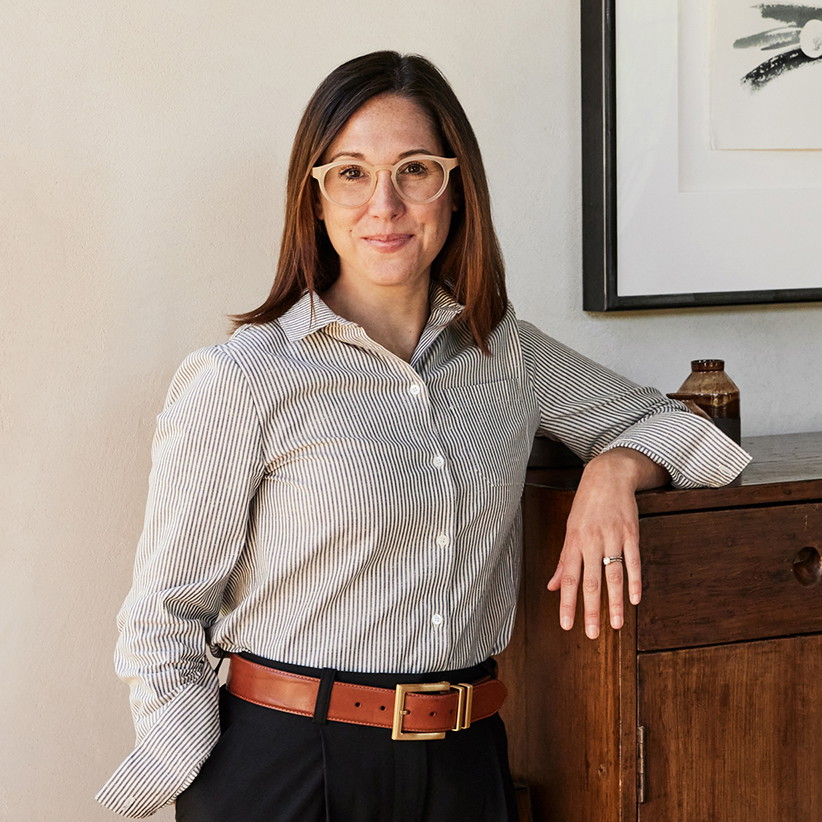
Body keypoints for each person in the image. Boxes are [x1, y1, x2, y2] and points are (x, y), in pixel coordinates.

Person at [96, 51, 750, 821]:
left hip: (465, 764)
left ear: (455, 187)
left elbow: (685, 430)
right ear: (313, 198)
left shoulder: (508, 354)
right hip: (286, 765)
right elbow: (163, 613)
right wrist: (193, 765)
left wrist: (616, 466)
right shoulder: (243, 377)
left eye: (414, 170)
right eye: (350, 172)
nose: (385, 203)